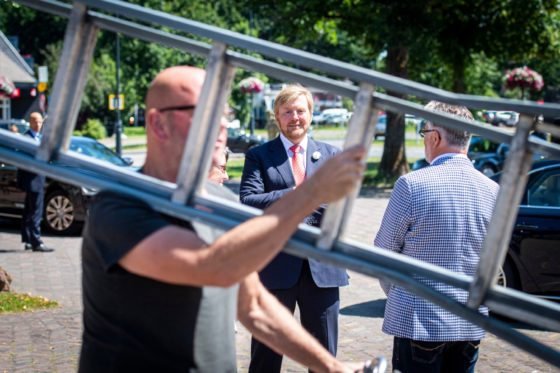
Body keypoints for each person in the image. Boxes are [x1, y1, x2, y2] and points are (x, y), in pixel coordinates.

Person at [79, 66, 367, 373]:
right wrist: (310, 192)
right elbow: (214, 266)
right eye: (203, 111)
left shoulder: (219, 201)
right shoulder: (119, 206)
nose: (221, 125)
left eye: (223, 113)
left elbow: (253, 303)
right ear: (157, 123)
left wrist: (332, 367)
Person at [374, 101, 500, 373]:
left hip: (419, 318)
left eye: (423, 133)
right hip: (469, 320)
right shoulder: (493, 190)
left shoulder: (411, 184)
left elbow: (383, 251)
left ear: (435, 137)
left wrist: (398, 294)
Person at [240, 84, 348, 373]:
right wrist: (303, 194)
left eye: (301, 110)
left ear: (311, 114)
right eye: (287, 112)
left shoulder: (331, 154)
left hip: (322, 270)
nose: (295, 117)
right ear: (277, 115)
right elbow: (250, 201)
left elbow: (338, 204)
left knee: (324, 357)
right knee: (265, 356)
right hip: (275, 267)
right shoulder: (259, 156)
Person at [16, 112, 53, 252]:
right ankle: (36, 242)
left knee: (28, 211)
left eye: (40, 122)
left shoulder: (40, 138)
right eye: (35, 122)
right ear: (30, 123)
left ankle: (28, 240)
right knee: (35, 212)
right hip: (33, 180)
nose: (38, 125)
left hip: (36, 179)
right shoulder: (27, 138)